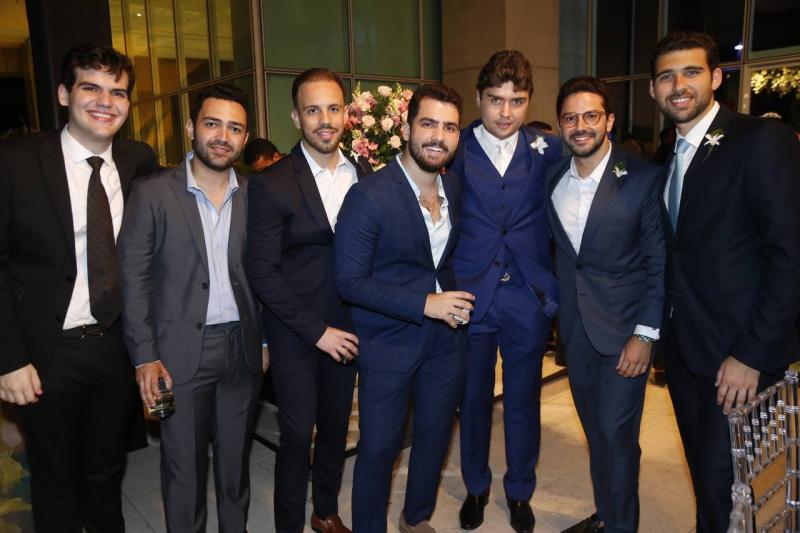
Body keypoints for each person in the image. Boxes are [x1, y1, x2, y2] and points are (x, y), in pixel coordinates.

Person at [0, 43, 155, 532]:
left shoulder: (138, 160)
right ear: (65, 94)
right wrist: (8, 358)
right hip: (45, 354)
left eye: (118, 92)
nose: (106, 102)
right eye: (92, 88)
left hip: (115, 347)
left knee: (106, 473)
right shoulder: (15, 160)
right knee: (54, 481)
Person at [649, 31, 800, 532]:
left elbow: (790, 256)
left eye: (691, 72)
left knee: (722, 483)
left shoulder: (761, 139)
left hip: (738, 359)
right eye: (667, 76)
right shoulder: (669, 157)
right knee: (712, 483)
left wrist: (751, 355)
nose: (678, 86)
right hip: (685, 353)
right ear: (653, 89)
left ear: (716, 77)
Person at [118, 82, 264, 532]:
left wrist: (265, 340)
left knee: (235, 465)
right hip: (177, 354)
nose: (223, 136)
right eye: (212, 123)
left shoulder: (256, 195)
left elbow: (267, 275)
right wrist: (145, 356)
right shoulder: (151, 193)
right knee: (184, 471)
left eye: (234, 128)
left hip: (242, 350)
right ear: (190, 127)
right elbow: (133, 280)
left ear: (244, 138)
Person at [335, 84, 471, 533]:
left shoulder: (454, 186)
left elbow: (444, 259)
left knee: (434, 437)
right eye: (428, 124)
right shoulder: (369, 195)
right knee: (379, 448)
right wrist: (425, 303)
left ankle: (415, 519)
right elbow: (349, 281)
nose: (438, 136)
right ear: (408, 128)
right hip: (388, 342)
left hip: (446, 341)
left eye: (449, 127)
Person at [247, 67, 372, 533]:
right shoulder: (271, 182)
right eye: (313, 110)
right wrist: (316, 332)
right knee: (299, 433)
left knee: (337, 427)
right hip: (295, 330)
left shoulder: (364, 175)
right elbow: (262, 271)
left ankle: (325, 510)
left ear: (346, 115)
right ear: (296, 118)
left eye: (333, 108)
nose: (325, 120)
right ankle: (288, 525)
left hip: (349, 326)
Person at [451, 50, 562, 533]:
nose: (506, 112)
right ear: (479, 98)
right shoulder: (453, 146)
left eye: (517, 101)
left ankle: (519, 491)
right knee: (473, 400)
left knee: (523, 401)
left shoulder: (548, 149)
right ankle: (476, 486)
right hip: (469, 297)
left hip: (526, 298)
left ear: (529, 100)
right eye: (496, 100)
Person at [548, 77, 665, 533]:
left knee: (618, 438)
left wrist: (645, 336)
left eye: (591, 115)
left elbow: (658, 263)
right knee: (596, 434)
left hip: (624, 335)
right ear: (561, 124)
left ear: (609, 120)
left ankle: (621, 526)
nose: (581, 126)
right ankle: (607, 515)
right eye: (570, 118)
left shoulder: (642, 178)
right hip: (576, 332)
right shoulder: (553, 179)